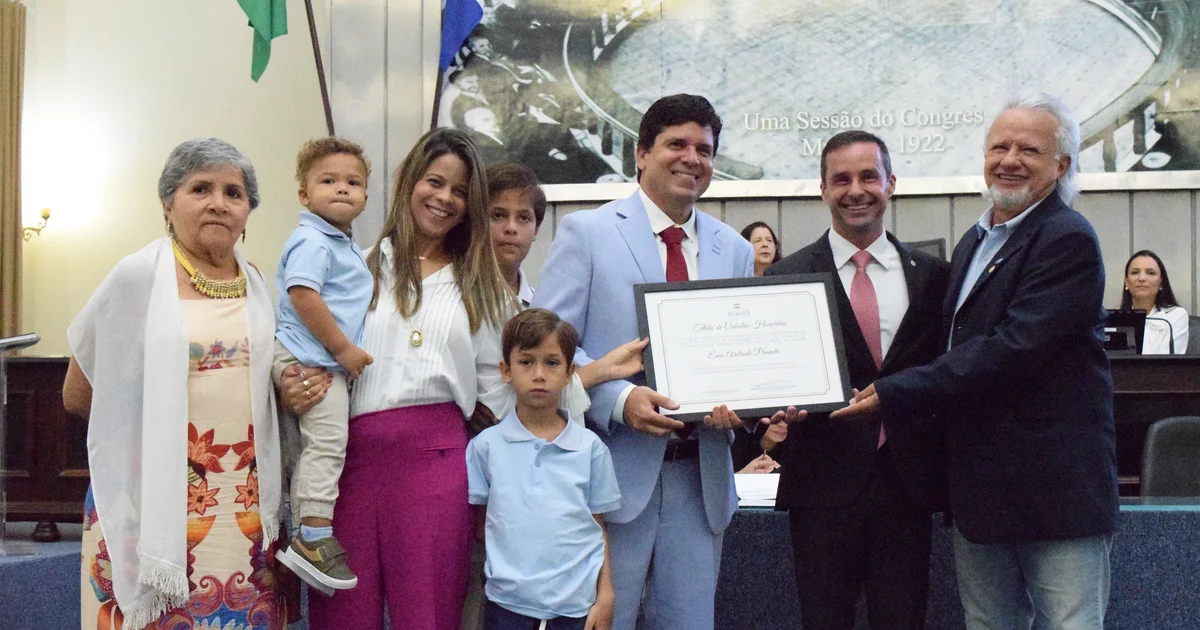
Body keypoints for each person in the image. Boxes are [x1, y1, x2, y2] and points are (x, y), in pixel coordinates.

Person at [834, 94, 1119, 630]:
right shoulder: (974, 241)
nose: (1009, 160)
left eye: (1028, 150)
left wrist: (896, 392)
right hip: (981, 490)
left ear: (1061, 165)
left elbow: (1014, 348)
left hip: (1054, 492)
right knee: (988, 623)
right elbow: (949, 346)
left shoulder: (1067, 238)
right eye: (999, 147)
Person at [532, 93, 787, 630]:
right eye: (677, 144)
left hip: (702, 478)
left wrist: (747, 402)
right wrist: (619, 400)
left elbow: (742, 354)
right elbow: (546, 351)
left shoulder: (734, 250)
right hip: (611, 476)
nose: (692, 158)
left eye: (704, 150)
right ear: (642, 153)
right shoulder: (586, 233)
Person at [64, 138, 323, 629]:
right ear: (168, 203)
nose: (218, 203)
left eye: (234, 193)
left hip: (245, 511)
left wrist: (287, 392)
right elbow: (77, 395)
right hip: (153, 502)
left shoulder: (256, 282)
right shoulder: (136, 278)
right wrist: (153, 453)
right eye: (200, 188)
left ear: (248, 212)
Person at [759, 130, 950, 630]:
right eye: (841, 179)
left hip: (908, 485)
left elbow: (944, 372)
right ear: (823, 189)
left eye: (869, 176)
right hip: (821, 487)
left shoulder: (934, 276)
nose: (856, 190)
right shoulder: (785, 276)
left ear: (891, 183)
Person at [467, 308, 621, 630]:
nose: (539, 374)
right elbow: (482, 527)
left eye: (552, 363)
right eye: (526, 362)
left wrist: (605, 594)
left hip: (575, 611)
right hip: (506, 608)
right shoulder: (484, 448)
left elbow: (598, 527)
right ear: (506, 371)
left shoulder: (591, 449)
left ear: (569, 373)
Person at [271, 137, 373, 592]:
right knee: (328, 442)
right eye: (328, 180)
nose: (342, 188)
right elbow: (303, 295)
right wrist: (342, 349)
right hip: (310, 357)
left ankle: (300, 526)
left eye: (353, 182)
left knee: (311, 446)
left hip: (313, 355)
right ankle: (312, 536)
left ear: (365, 196)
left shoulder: (341, 244)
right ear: (304, 194)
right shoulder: (313, 240)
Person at [487, 162, 546, 308]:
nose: (511, 228)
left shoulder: (541, 308)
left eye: (524, 218)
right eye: (498, 216)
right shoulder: (448, 298)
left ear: (536, 229)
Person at [1120, 249, 1189, 354]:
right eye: (1135, 272)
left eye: (1150, 273)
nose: (1142, 278)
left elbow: (1168, 361)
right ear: (1127, 283)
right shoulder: (1113, 318)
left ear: (1161, 283)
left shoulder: (1175, 315)